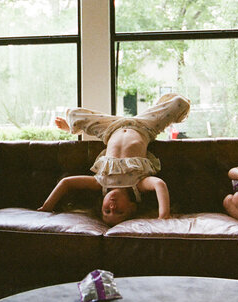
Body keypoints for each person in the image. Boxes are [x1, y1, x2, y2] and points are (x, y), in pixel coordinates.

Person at [37, 94, 190, 225]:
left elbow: (66, 182)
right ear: (132, 207)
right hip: (144, 127)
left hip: (111, 129)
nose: (112, 206)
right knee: (180, 103)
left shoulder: (100, 182)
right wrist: (164, 215)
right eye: (119, 211)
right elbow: (159, 184)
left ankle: (70, 127)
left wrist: (46, 207)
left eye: (107, 210)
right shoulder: (138, 184)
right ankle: (158, 107)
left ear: (101, 204)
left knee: (73, 114)